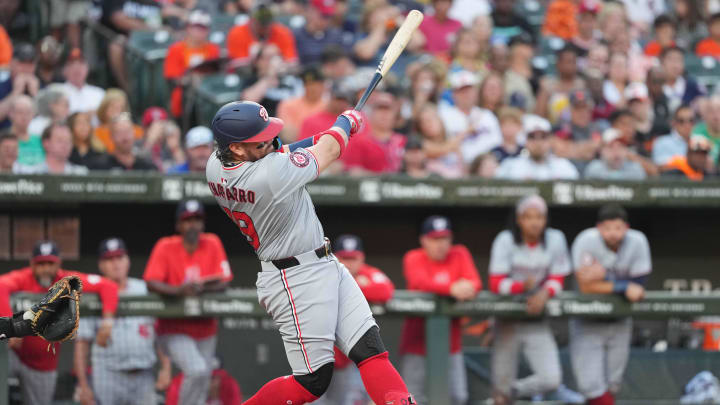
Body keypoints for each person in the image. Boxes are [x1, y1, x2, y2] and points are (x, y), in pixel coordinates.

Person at [206, 100, 415, 405]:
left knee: (370, 349)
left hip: (321, 263)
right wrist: (346, 124)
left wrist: (326, 134)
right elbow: (328, 151)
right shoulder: (269, 175)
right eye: (259, 139)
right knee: (312, 382)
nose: (269, 140)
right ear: (237, 148)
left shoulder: (216, 163)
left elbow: (283, 151)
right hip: (295, 278)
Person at [0, 240, 119, 405]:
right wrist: (13, 327)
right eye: (41, 263)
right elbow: (0, 285)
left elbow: (108, 286)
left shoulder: (67, 280)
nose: (46, 268)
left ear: (58, 263)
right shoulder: (24, 277)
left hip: (42, 363)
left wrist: (107, 322)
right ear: (32, 264)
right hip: (14, 353)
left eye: (50, 263)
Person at [143, 200, 232, 405]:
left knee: (202, 380)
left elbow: (224, 281)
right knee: (197, 370)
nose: (193, 224)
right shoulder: (166, 246)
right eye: (187, 220)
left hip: (206, 328)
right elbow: (151, 282)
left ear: (203, 223)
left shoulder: (212, 242)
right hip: (173, 327)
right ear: (178, 225)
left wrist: (201, 288)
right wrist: (178, 291)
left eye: (197, 220)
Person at [489, 195, 570, 405]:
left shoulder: (555, 238)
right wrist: (520, 286)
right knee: (501, 390)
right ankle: (503, 394)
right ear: (519, 219)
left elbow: (558, 278)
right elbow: (495, 283)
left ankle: (514, 391)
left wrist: (544, 293)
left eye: (540, 217)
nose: (534, 222)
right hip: (507, 318)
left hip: (535, 316)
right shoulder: (505, 239)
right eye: (528, 217)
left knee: (551, 380)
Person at [570, 204, 652, 405]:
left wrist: (603, 278)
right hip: (588, 319)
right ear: (599, 227)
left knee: (612, 384)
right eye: (607, 228)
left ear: (626, 227)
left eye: (618, 228)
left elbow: (639, 287)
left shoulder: (637, 241)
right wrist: (623, 286)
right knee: (591, 386)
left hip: (620, 319)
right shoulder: (586, 240)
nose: (613, 234)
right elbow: (585, 287)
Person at [74, 238, 172, 405]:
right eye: (109, 259)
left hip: (144, 374)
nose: (116, 264)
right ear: (101, 265)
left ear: (128, 261)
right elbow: (82, 344)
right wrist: (83, 385)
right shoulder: (93, 295)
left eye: (119, 258)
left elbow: (160, 332)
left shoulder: (145, 291)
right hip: (108, 373)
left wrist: (166, 367)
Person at [399, 215, 480, 405]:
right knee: (411, 398)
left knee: (458, 397)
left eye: (444, 238)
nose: (440, 244)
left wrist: (465, 288)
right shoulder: (414, 257)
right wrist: (452, 288)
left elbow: (475, 282)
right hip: (417, 342)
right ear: (424, 240)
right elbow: (419, 282)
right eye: (435, 239)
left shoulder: (459, 253)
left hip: (450, 343)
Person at [313, 234, 395, 405]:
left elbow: (386, 290)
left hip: (347, 358)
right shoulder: (324, 271)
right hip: (318, 355)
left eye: (353, 258)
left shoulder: (368, 272)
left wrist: (349, 287)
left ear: (361, 258)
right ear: (334, 257)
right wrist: (359, 286)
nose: (349, 264)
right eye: (344, 258)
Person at [164, 9, 220, 118]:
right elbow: (172, 78)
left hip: (209, 93)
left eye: (203, 28)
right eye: (196, 27)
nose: (199, 31)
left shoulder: (213, 49)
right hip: (185, 96)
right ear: (188, 28)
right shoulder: (176, 49)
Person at [439, 70, 502, 164]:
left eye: (469, 90)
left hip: (485, 168)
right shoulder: (443, 116)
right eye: (461, 91)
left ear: (476, 92)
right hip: (453, 168)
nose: (466, 94)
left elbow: (497, 144)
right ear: (453, 94)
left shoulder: (487, 115)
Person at [495, 115, 580, 180]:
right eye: (532, 137)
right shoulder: (511, 166)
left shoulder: (563, 166)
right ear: (525, 141)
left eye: (543, 137)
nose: (538, 142)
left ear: (550, 141)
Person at [341, 91, 406, 175]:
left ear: (395, 114)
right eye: (380, 109)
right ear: (371, 113)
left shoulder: (402, 140)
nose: (384, 114)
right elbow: (353, 171)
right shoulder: (359, 141)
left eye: (388, 110)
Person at [227, 2, 299, 66]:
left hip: (278, 74)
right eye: (261, 22)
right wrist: (255, 57)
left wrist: (279, 56)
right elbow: (235, 66)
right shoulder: (237, 33)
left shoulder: (283, 32)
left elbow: (293, 63)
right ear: (252, 19)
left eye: (267, 22)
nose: (264, 26)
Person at [552, 89, 603, 168]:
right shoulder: (562, 127)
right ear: (571, 110)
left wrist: (573, 148)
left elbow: (596, 148)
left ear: (590, 109)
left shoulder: (597, 128)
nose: (582, 112)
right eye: (577, 108)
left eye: (584, 107)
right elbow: (560, 152)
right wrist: (587, 148)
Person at [277, 65, 328, 142]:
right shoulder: (288, 104)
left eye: (316, 84)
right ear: (304, 85)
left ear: (323, 85)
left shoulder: (328, 107)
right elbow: (288, 135)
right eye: (308, 84)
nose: (312, 88)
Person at [90, 114, 158, 171]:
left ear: (134, 133)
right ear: (111, 136)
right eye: (119, 133)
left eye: (127, 132)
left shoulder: (146, 166)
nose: (125, 137)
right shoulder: (101, 166)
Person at [14, 123, 88, 175]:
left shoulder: (81, 173)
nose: (65, 145)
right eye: (60, 140)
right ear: (46, 143)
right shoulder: (30, 172)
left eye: (69, 140)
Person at [294, 0, 351, 65]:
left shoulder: (337, 35)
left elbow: (345, 62)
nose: (327, 19)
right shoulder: (295, 35)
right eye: (324, 15)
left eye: (329, 15)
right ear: (310, 11)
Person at [416, 103, 465, 178]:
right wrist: (467, 131)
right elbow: (442, 150)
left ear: (440, 119)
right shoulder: (421, 144)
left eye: (431, 119)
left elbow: (462, 167)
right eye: (423, 122)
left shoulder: (452, 140)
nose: (428, 124)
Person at [165, 359, 243, 405]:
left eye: (214, 377)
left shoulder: (229, 385)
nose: (210, 382)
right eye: (205, 377)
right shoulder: (180, 385)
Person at [93, 89, 143, 153]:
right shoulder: (96, 134)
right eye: (113, 107)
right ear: (104, 109)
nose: (117, 112)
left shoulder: (137, 131)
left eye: (121, 108)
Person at [61, 48, 105, 116]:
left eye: (81, 63)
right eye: (71, 64)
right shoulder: (57, 92)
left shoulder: (99, 94)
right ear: (64, 70)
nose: (77, 68)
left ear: (87, 68)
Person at [660, 46, 704, 113]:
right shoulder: (655, 87)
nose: (675, 65)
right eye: (671, 60)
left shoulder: (693, 86)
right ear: (662, 62)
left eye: (679, 60)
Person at [7, 95, 44, 166]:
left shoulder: (41, 141)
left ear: (33, 115)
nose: (24, 116)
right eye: (20, 112)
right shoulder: (3, 140)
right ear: (11, 114)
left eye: (28, 112)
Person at [693, 95, 720, 163]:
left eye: (719, 110)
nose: (716, 115)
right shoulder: (697, 132)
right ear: (704, 115)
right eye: (711, 111)